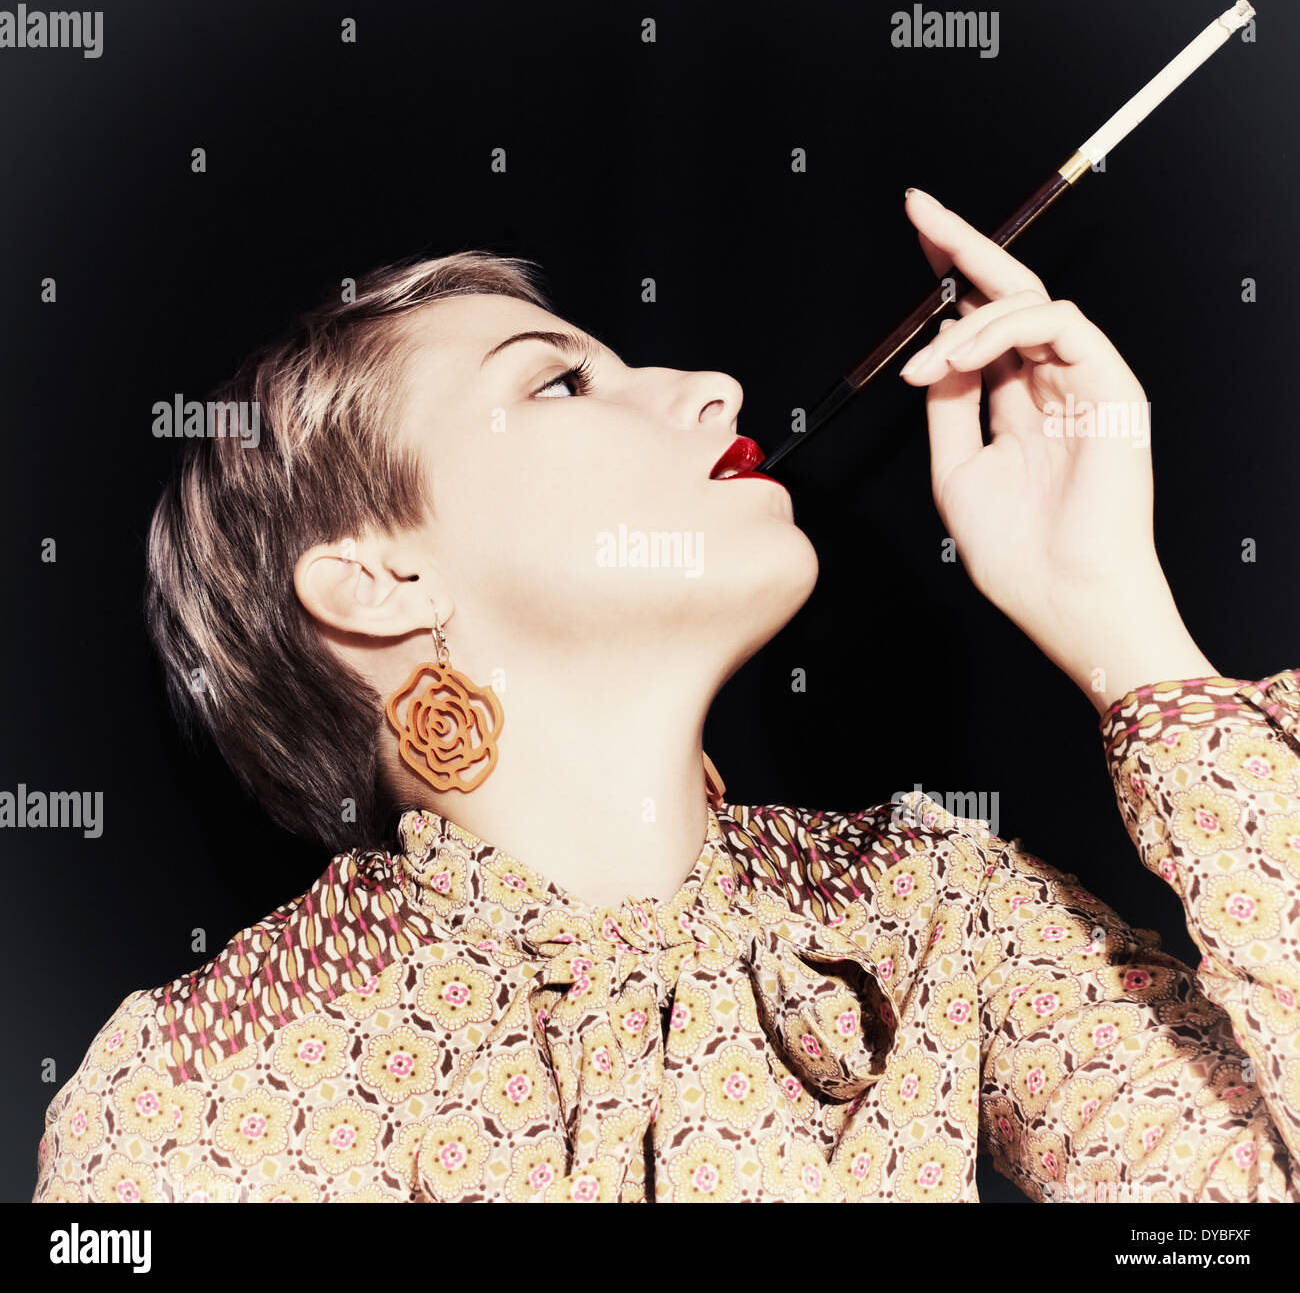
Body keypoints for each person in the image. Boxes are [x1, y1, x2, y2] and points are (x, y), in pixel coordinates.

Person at [32, 189, 1300, 1202]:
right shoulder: (202, 1082)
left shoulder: (939, 909)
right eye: (560, 381)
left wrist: (1122, 623)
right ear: (375, 579)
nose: (714, 390)